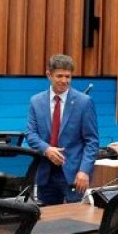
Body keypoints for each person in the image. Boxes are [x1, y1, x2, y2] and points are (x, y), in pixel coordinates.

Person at [26, 54, 99, 204]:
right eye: (59, 76)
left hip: (74, 175)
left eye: (68, 76)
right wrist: (47, 149)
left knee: (76, 222)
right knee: (48, 220)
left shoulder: (84, 102)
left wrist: (84, 171)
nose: (64, 81)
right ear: (49, 75)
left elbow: (92, 141)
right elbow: (30, 134)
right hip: (45, 174)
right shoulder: (36, 101)